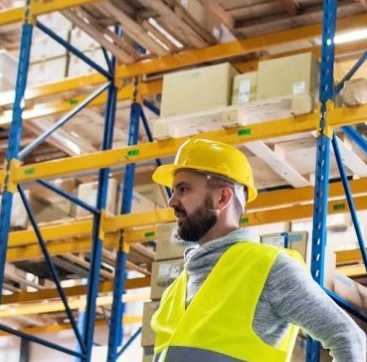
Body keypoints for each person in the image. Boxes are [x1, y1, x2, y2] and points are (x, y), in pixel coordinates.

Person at [150, 138, 366, 362]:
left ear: (222, 197)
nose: (172, 202)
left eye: (183, 189)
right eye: (173, 191)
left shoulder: (270, 268)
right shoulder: (175, 289)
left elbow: (348, 338)